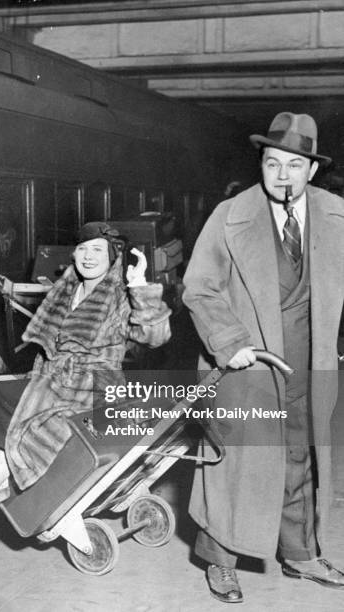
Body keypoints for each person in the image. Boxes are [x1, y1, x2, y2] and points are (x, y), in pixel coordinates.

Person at [0, 221, 171, 561]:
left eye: (98, 249)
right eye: (82, 248)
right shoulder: (67, 288)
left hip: (90, 391)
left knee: (15, 446)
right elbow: (39, 306)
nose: (87, 256)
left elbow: (156, 335)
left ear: (113, 257)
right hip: (53, 383)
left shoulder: (121, 294)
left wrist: (141, 285)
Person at [182, 112, 344, 603]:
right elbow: (199, 287)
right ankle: (220, 561)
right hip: (246, 360)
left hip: (310, 357)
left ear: (311, 171)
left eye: (294, 165)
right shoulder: (230, 215)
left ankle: (299, 553)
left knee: (301, 455)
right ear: (262, 163)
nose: (282, 175)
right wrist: (230, 344)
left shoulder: (337, 215)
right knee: (236, 461)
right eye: (273, 163)